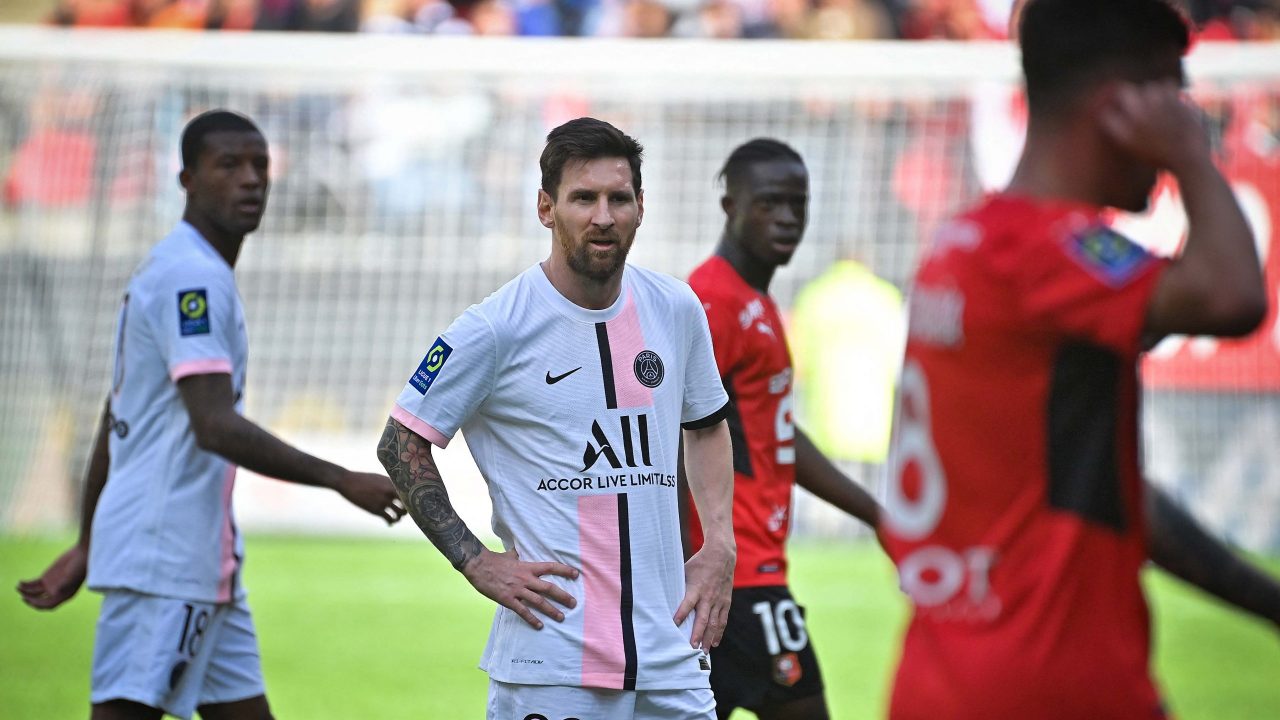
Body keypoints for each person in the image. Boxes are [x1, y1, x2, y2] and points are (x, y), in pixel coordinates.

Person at [880, 1, 1270, 718]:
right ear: (1119, 106)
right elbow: (1234, 295)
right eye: (1172, 96)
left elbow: (1102, 495)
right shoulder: (1046, 252)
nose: (1186, 117)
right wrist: (1191, 158)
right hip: (1050, 680)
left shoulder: (970, 242)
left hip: (944, 677)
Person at [16, 109, 406, 720]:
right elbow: (214, 424)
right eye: (228, 165)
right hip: (165, 561)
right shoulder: (191, 278)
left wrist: (91, 541)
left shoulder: (186, 267)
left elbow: (116, 417)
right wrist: (340, 479)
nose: (250, 179)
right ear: (187, 180)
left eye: (259, 165)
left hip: (199, 562)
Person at [376, 117, 736, 720]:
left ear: (641, 206)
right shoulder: (496, 327)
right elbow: (400, 441)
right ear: (546, 208)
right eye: (583, 198)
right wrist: (475, 561)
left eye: (619, 198)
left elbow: (707, 425)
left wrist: (720, 543)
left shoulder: (676, 307)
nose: (604, 217)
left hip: (673, 657)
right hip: (554, 664)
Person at [684, 138, 882, 720]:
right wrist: (687, 558)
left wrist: (877, 515)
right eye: (770, 203)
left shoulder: (757, 301)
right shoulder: (714, 302)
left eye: (798, 203)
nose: (788, 218)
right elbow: (670, 432)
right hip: (732, 575)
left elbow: (776, 434)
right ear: (731, 207)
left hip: (746, 572)